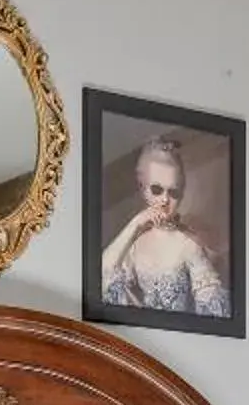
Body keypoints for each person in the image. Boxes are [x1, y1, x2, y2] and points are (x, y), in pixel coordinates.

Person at [97, 134, 227, 316]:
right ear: (142, 187)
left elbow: (213, 310)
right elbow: (103, 274)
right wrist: (136, 223)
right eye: (157, 190)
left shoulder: (188, 244)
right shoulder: (134, 242)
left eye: (173, 192)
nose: (165, 200)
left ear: (181, 194)